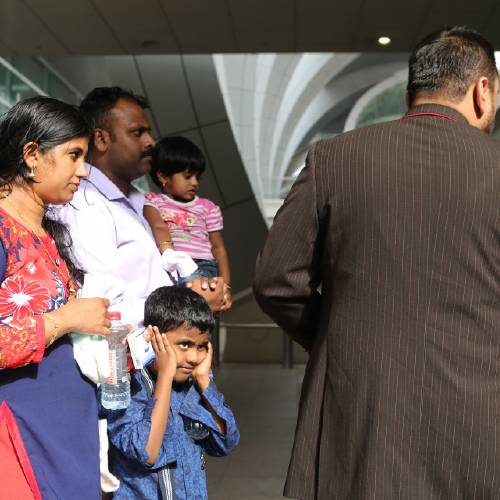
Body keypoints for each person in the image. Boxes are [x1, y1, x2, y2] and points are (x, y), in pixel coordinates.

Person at [254, 26, 500, 500]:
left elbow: (274, 281)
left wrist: (335, 335)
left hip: (363, 421)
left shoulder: (335, 159)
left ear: (412, 94)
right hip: (480, 428)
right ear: (481, 90)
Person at [0, 97, 111, 499]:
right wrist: (64, 320)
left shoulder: (50, 232)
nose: (83, 171)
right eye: (74, 156)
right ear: (32, 155)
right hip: (20, 431)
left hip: (68, 432)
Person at [57, 87, 226, 328]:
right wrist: (191, 303)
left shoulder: (141, 202)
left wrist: (200, 289)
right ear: (101, 139)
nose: (151, 142)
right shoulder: (84, 204)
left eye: (148, 132)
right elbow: (106, 309)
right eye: (138, 133)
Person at [103, 285, 239, 499]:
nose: (194, 357)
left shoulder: (193, 386)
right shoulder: (126, 385)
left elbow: (225, 443)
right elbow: (146, 451)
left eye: (201, 346)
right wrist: (165, 378)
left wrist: (205, 382)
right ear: (153, 335)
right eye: (185, 344)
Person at [144, 136, 232, 309]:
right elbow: (157, 227)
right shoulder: (151, 201)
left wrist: (226, 285)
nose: (194, 183)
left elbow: (218, 248)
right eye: (187, 176)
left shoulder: (208, 208)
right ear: (163, 176)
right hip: (170, 267)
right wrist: (169, 255)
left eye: (197, 177)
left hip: (204, 267)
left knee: (196, 308)